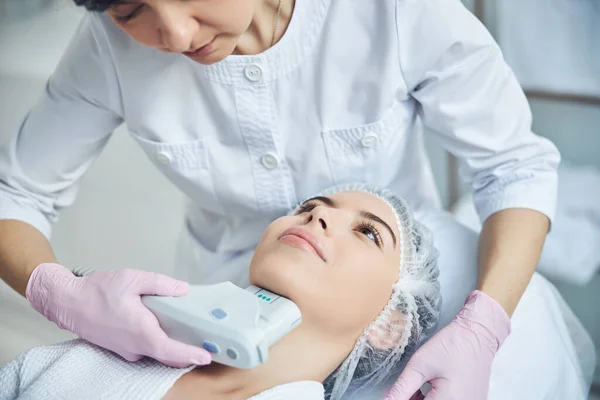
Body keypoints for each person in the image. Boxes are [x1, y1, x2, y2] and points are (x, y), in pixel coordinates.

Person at [0, 1, 560, 399]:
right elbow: (14, 195)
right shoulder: (62, 371)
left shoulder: (394, 11)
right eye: (129, 12)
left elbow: (515, 168)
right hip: (209, 307)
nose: (171, 33)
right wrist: (59, 291)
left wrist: (484, 326)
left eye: (364, 229)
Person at [0, 187, 441, 400]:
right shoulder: (80, 359)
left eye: (367, 232)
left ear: (391, 325)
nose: (318, 215)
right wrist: (59, 286)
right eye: (308, 207)